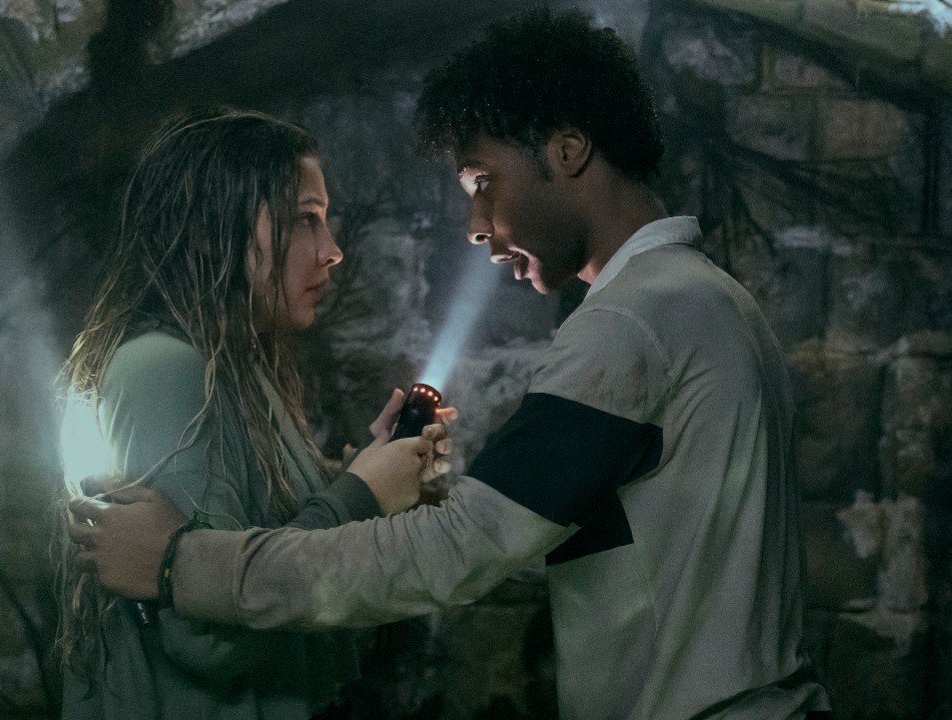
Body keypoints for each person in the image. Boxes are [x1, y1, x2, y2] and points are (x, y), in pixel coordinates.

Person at [70, 10, 832, 719]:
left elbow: (467, 549)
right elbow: (598, 550)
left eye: (481, 182)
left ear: (566, 152)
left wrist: (180, 565)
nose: (473, 225)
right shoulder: (704, 298)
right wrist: (402, 501)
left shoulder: (638, 316)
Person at [54, 107, 447, 720]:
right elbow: (207, 637)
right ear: (217, 228)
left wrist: (369, 475)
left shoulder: (235, 368)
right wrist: (359, 495)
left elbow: (256, 553)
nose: (332, 251)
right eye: (304, 221)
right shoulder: (164, 370)